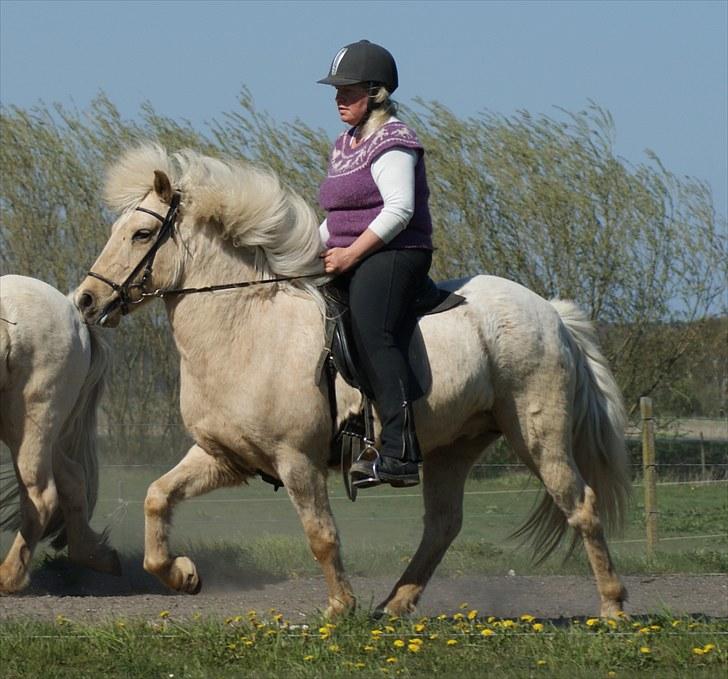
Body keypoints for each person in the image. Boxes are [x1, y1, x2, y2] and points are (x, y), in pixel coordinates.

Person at [317, 39, 434, 488]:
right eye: (337, 91)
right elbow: (336, 220)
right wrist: (304, 251)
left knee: (371, 325)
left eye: (348, 90)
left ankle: (401, 451)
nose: (338, 98)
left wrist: (348, 254)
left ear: (377, 92)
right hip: (354, 250)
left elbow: (399, 209)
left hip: (397, 252)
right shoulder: (343, 144)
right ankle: (350, 431)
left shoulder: (394, 140)